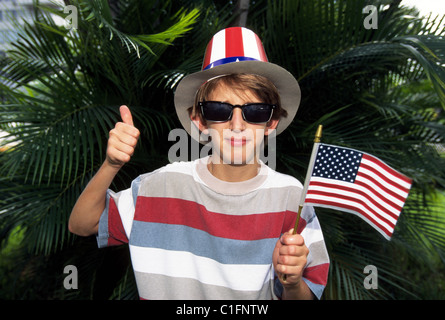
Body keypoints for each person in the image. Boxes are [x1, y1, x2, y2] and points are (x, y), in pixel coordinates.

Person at [69, 27, 329, 300]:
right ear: (199, 120)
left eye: (255, 111)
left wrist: (291, 283)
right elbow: (82, 224)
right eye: (219, 110)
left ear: (271, 122)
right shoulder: (160, 187)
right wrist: (111, 164)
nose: (237, 126)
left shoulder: (292, 198)